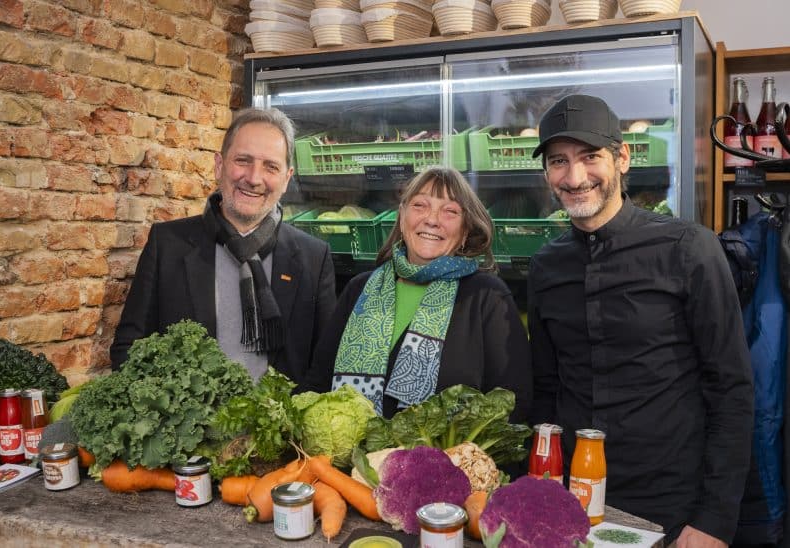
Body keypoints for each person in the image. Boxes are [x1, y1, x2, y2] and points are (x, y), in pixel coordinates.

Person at [527, 94, 754, 546]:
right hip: (574, 497)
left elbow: (731, 388)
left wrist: (714, 518)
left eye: (590, 157)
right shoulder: (545, 266)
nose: (575, 177)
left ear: (622, 157)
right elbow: (547, 388)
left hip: (670, 505)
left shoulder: (689, 249)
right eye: (559, 162)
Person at [110, 107, 336, 384]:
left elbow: (325, 361)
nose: (254, 178)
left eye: (270, 167)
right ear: (219, 165)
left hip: (279, 426)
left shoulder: (314, 257)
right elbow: (129, 348)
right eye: (243, 160)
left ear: (286, 179)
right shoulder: (167, 245)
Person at [304, 166, 532, 421]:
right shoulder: (360, 289)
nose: (432, 219)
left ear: (465, 230)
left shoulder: (487, 297)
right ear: (402, 218)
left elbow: (514, 403)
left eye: (450, 211)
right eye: (420, 205)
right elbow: (318, 382)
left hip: (448, 459)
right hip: (352, 460)